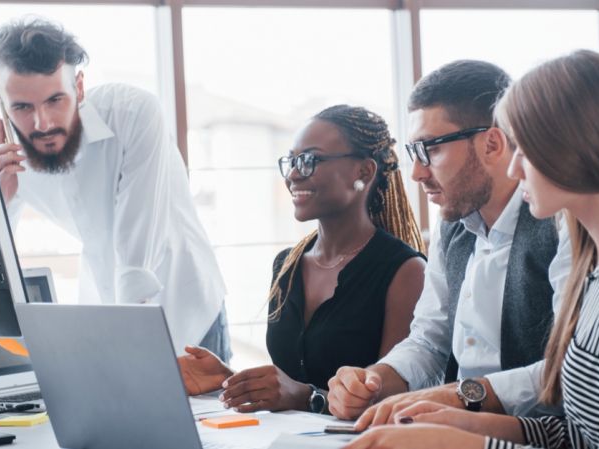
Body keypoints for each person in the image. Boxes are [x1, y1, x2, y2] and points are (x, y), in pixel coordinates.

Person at [346, 49, 599, 449]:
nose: (514, 169)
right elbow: (578, 433)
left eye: (524, 149)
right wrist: (461, 426)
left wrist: (471, 444)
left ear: (572, 150)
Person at [328, 61, 571, 424]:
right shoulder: (452, 226)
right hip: (456, 431)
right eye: (414, 152)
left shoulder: (562, 222)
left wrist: (461, 395)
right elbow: (429, 340)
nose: (417, 173)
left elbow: (573, 369)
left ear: (492, 143)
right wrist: (373, 380)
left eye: (431, 149)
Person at [0, 18, 230, 360]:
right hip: (107, 308)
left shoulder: (133, 114)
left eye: (56, 100)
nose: (43, 124)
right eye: (22, 107)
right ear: (0, 102)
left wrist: (120, 358)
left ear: (79, 87)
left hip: (186, 310)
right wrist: (1, 201)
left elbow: (134, 255)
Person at [178, 105, 427, 413]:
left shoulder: (406, 271)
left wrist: (307, 397)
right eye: (291, 161)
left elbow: (397, 401)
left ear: (363, 171)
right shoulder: (287, 265)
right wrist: (230, 380)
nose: (294, 174)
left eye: (310, 160)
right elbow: (289, 383)